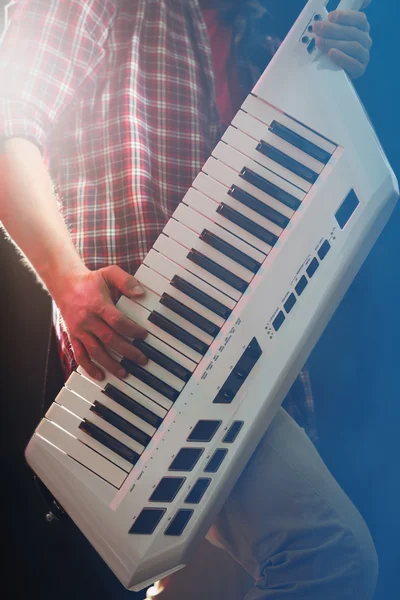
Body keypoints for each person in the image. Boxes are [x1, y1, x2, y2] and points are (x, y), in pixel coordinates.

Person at [0, 1, 377, 598]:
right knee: (330, 554)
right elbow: (7, 128)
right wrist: (69, 281)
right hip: (159, 364)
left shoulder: (260, 43)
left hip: (250, 370)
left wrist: (328, 78)